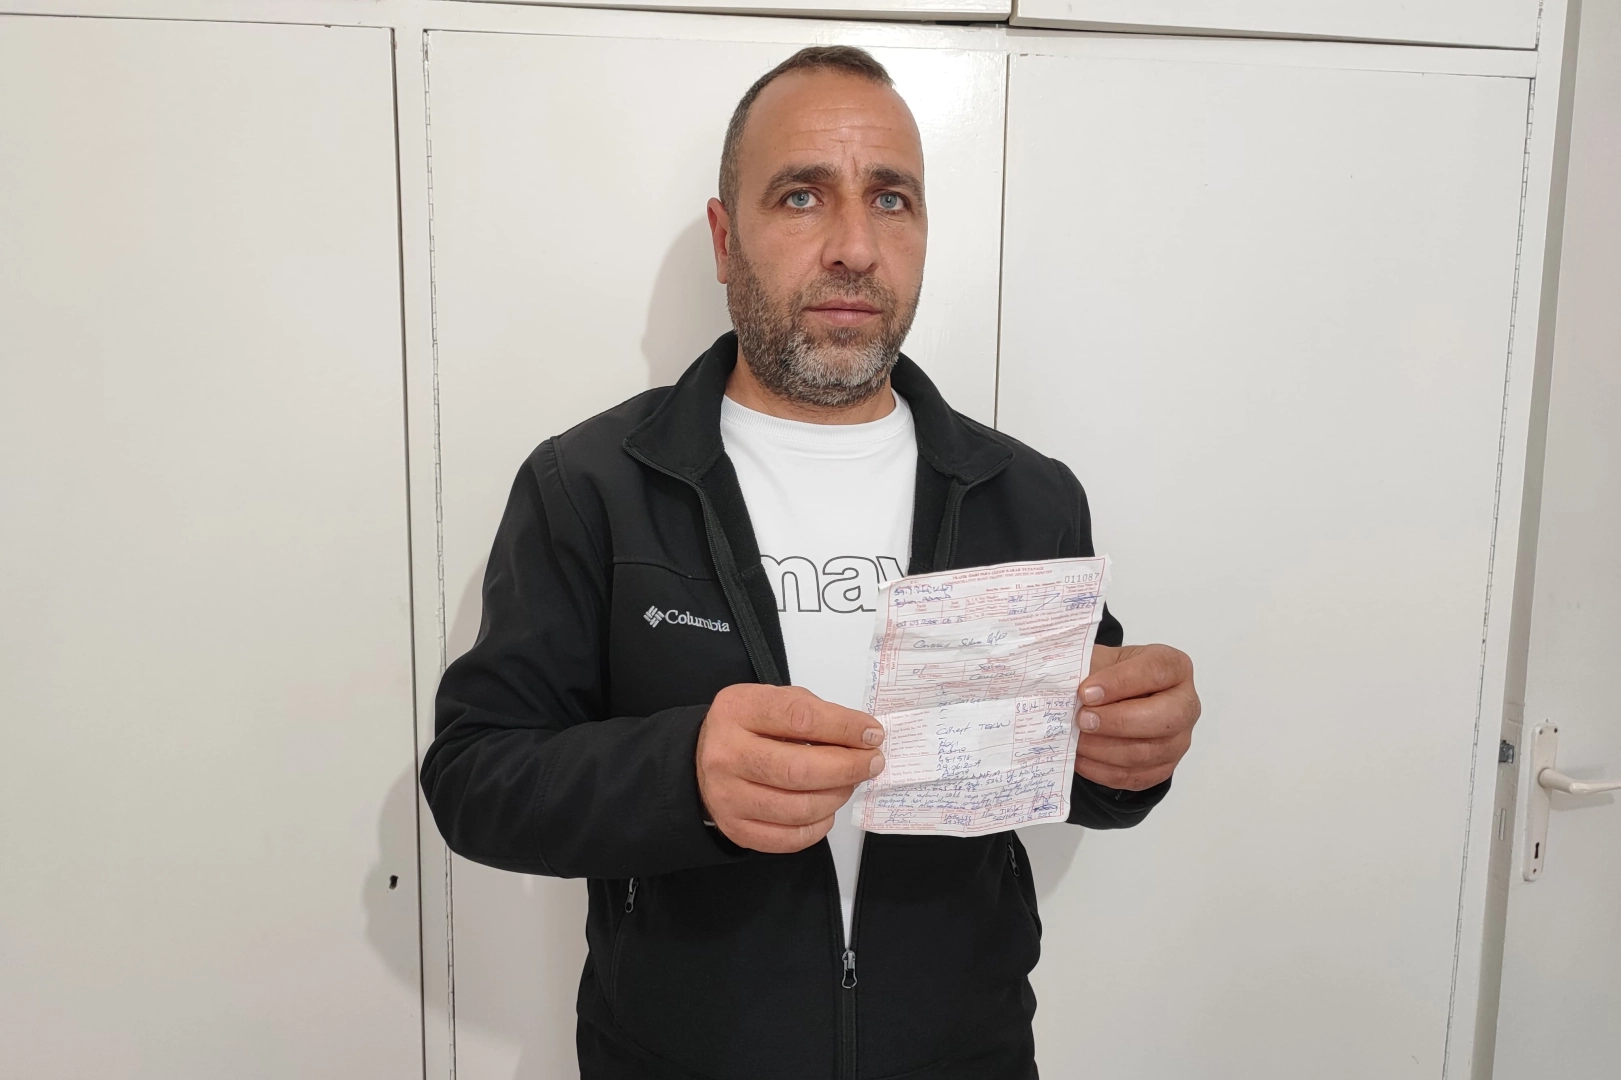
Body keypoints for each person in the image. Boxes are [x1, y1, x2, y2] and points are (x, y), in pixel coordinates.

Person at [421, 45, 1200, 1080]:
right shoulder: (592, 484)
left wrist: (1130, 750)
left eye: (891, 200)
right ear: (723, 238)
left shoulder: (1025, 494)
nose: (855, 248)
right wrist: (684, 775)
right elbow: (475, 778)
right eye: (800, 196)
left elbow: (1068, 762)